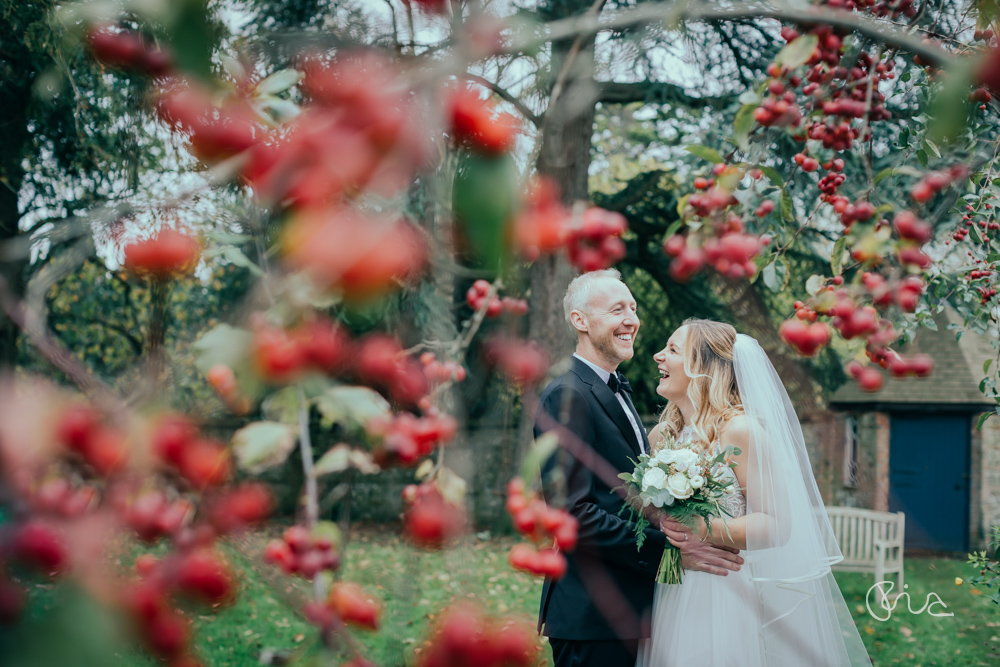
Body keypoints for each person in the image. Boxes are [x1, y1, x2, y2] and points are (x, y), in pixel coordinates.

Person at [534, 272, 743, 667]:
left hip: (634, 608)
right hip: (592, 614)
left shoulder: (618, 389)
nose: (632, 318)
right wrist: (672, 551)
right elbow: (572, 515)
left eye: (633, 307)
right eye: (617, 309)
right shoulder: (568, 395)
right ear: (581, 321)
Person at [637, 319, 872, 667]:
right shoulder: (660, 437)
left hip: (721, 590)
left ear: (703, 366)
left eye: (672, 350)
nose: (658, 356)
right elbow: (652, 513)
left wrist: (704, 528)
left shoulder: (740, 430)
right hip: (669, 586)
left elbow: (777, 525)